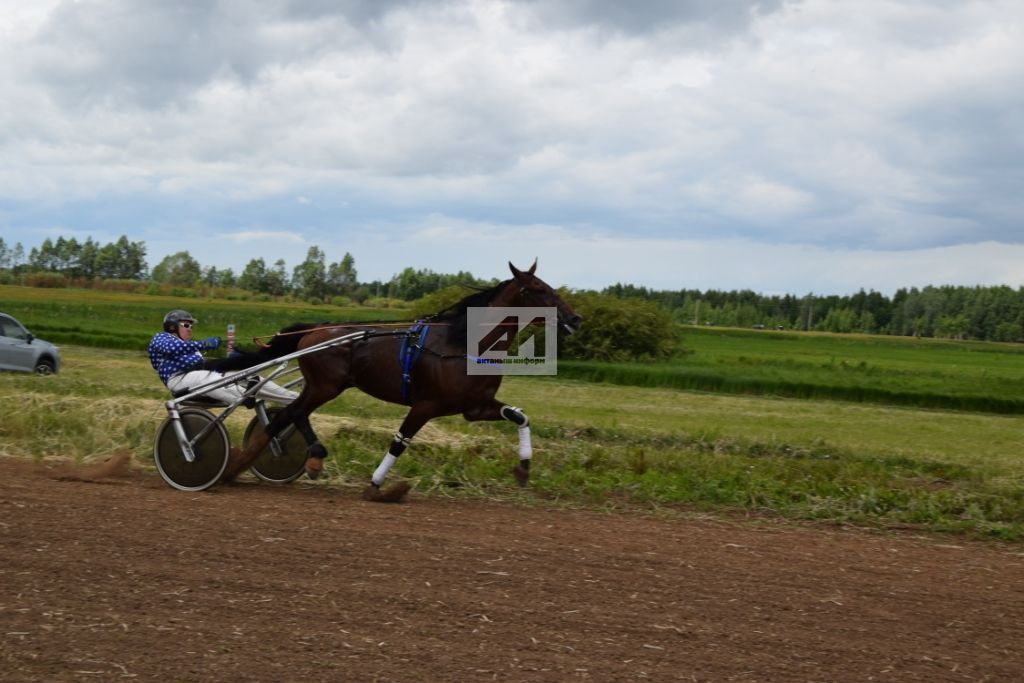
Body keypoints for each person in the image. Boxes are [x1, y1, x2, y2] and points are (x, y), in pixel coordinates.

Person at [148, 309, 298, 404]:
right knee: (207, 378)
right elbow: (174, 349)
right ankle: (244, 398)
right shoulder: (161, 338)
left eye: (192, 326)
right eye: (186, 325)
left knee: (246, 375)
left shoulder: (191, 346)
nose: (190, 329)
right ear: (172, 327)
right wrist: (204, 344)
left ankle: (292, 398)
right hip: (178, 379)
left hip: (196, 374)